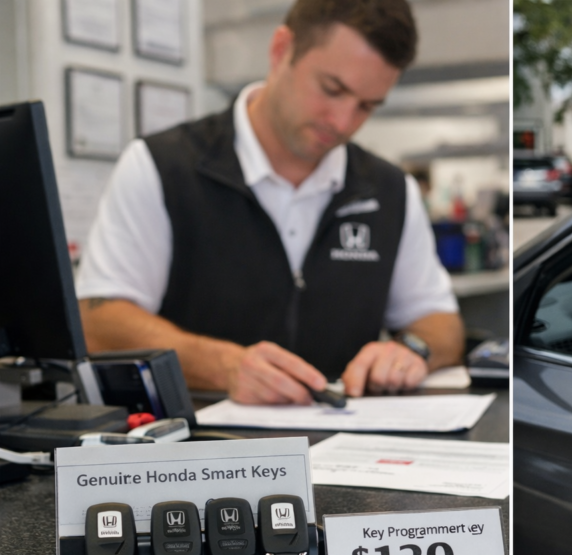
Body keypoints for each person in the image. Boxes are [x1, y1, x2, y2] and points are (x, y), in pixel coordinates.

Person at [76, 0, 464, 404]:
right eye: (332, 89)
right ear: (281, 50)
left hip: (349, 437)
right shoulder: (162, 168)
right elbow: (98, 322)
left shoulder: (389, 191)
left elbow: (441, 324)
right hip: (198, 437)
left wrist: (412, 350)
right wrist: (223, 366)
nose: (343, 121)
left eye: (367, 106)